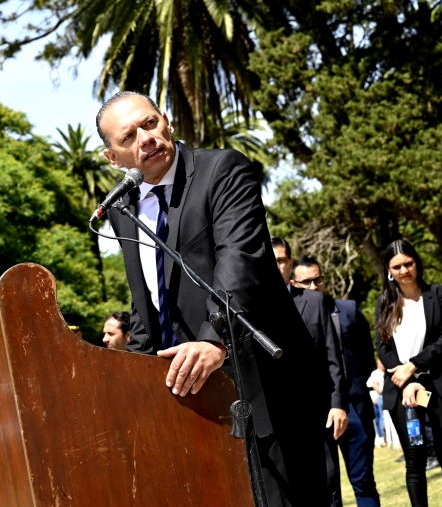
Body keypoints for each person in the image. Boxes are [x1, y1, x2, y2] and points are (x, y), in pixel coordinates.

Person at [98, 91, 327, 506]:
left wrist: (213, 338)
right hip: (191, 402)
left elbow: (240, 264)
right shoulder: (122, 208)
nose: (145, 138)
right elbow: (146, 307)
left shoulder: (222, 170)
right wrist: (126, 389)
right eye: (129, 136)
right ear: (114, 158)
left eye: (149, 124)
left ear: (166, 121)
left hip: (264, 389)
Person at [374, 240, 442, 507]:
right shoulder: (385, 302)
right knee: (414, 456)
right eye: (397, 266)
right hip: (402, 388)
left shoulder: (438, 293)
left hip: (437, 383)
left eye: (408, 263)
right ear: (388, 270)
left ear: (417, 263)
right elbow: (383, 346)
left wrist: (413, 365)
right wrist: (406, 381)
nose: (404, 270)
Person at [291, 256, 380, 507]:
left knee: (364, 482)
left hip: (354, 406)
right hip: (318, 412)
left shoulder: (349, 309)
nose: (313, 285)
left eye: (317, 279)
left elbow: (365, 355)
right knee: (327, 488)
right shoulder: (293, 316)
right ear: (294, 283)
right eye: (306, 281)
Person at [288, 262, 347, 507]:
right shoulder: (252, 300)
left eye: (281, 261)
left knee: (328, 482)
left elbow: (332, 356)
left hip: (318, 410)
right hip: (279, 413)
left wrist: (337, 403)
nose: (276, 266)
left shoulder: (314, 302)